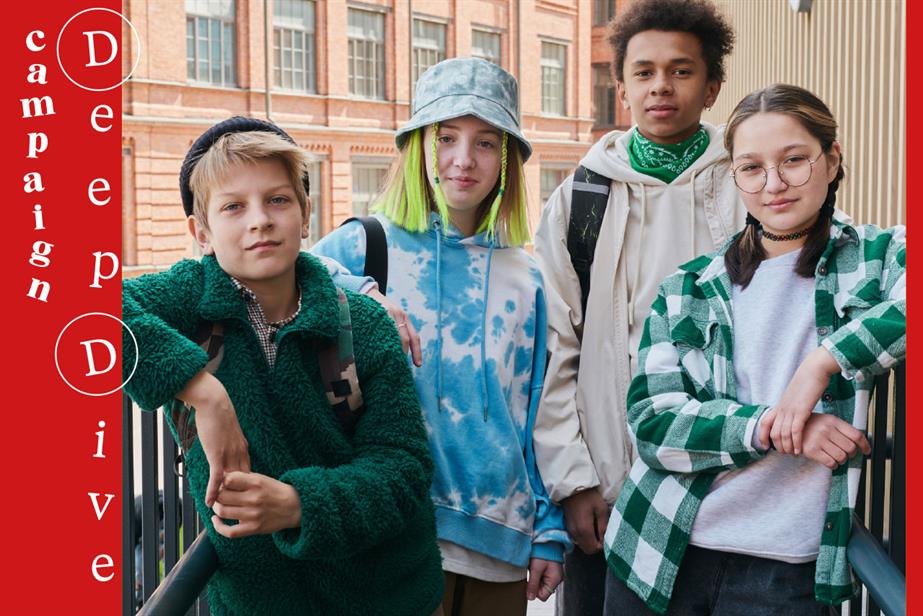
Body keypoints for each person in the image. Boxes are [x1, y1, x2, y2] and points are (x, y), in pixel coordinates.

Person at [602, 83, 905, 615]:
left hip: (785, 571)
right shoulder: (691, 287)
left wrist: (822, 362)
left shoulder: (877, 259)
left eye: (794, 160)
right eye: (751, 167)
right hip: (659, 551)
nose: (774, 185)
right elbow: (652, 424)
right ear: (734, 176)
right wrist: (774, 425)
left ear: (832, 160)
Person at [122, 117, 444, 615]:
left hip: (383, 595)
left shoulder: (362, 323)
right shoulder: (187, 300)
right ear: (201, 231)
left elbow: (402, 470)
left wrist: (299, 505)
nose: (260, 220)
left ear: (305, 213)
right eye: (233, 206)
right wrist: (203, 392)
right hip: (256, 601)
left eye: (277, 200)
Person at [311, 57, 569, 616]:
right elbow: (276, 279)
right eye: (446, 137)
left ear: (506, 159)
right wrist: (363, 292)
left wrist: (548, 527)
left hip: (501, 541)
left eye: (484, 142)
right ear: (419, 148)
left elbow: (535, 414)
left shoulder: (526, 277)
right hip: (396, 531)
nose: (462, 160)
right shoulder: (365, 246)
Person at [531, 1, 743, 612]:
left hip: (726, 494)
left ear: (712, 87)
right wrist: (574, 481)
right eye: (644, 72)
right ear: (621, 87)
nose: (661, 87)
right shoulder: (583, 197)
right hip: (609, 493)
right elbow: (554, 347)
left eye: (681, 71)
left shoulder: (745, 184)